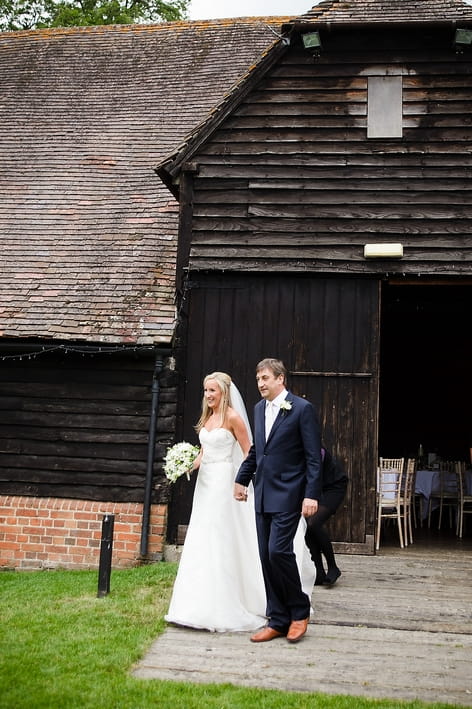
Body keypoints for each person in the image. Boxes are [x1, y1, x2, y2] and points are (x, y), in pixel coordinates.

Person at [165, 371, 267, 632]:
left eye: (212, 391)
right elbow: (203, 452)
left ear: (224, 392)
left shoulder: (233, 417)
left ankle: (224, 604)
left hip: (224, 482)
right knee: (202, 535)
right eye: (205, 391)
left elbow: (249, 452)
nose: (208, 395)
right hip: (205, 484)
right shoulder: (208, 418)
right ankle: (194, 603)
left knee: (220, 536)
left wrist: (240, 481)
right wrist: (186, 465)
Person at [234, 358, 322, 644]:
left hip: (289, 494)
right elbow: (258, 451)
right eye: (258, 378)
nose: (260, 383)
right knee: (264, 556)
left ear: (280, 379)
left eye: (266, 378)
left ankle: (299, 611)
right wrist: (241, 479)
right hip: (262, 495)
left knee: (278, 552)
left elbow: (313, 457)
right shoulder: (259, 410)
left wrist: (311, 494)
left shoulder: (302, 409)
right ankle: (278, 619)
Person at [305, 447, 348, 587]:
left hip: (334, 488)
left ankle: (333, 567)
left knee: (313, 523)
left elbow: (314, 471)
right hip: (315, 489)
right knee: (307, 527)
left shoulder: (316, 449)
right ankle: (319, 572)